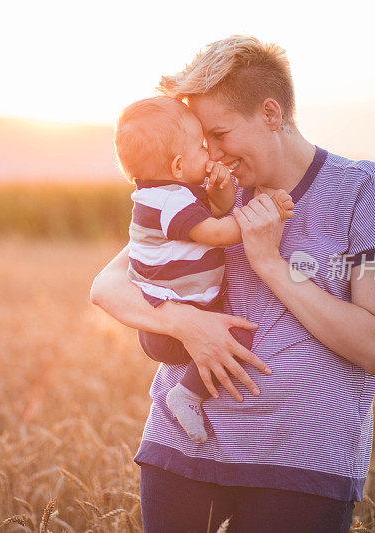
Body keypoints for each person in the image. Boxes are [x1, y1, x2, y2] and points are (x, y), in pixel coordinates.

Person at [90, 35, 375, 532]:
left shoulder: (363, 190)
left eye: (219, 134)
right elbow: (108, 286)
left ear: (270, 113)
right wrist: (184, 323)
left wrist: (270, 265)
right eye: (202, 141)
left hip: (301, 466)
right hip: (182, 451)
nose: (211, 154)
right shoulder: (206, 190)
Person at [114, 96, 294, 443]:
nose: (210, 154)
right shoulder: (172, 201)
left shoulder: (161, 193)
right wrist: (265, 208)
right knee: (237, 333)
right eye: (201, 147)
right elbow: (215, 231)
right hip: (173, 324)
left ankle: (189, 393)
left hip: (161, 318)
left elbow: (214, 210)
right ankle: (186, 395)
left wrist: (222, 192)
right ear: (179, 165)